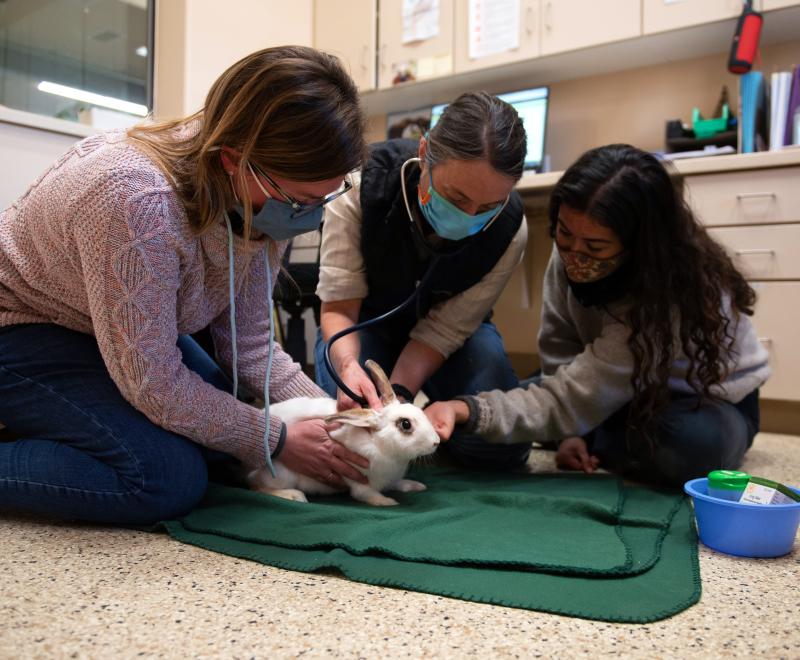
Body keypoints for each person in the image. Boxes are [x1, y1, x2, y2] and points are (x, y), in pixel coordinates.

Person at [0, 46, 371, 525]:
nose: (310, 217)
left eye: (323, 199)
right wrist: (276, 438)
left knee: (220, 443)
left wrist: (328, 415)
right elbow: (153, 383)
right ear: (236, 161)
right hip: (19, 328)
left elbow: (251, 347)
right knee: (164, 478)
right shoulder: (136, 200)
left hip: (95, 329)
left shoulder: (262, 198)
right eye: (301, 201)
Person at [425, 144, 770, 486]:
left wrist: (467, 409)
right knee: (512, 405)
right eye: (564, 234)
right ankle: (590, 423)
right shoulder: (574, 252)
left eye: (595, 248)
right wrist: (567, 432)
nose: (574, 256)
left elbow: (569, 395)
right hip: (612, 382)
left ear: (638, 246)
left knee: (692, 448)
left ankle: (596, 429)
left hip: (704, 399)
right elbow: (561, 355)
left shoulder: (667, 287)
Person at [314, 91, 531, 471]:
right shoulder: (360, 187)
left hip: (453, 339)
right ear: (425, 150)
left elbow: (443, 332)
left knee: (501, 449)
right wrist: (349, 365)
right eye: (456, 196)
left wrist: (398, 398)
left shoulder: (511, 230)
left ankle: (438, 424)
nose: (468, 217)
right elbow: (339, 308)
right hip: (364, 324)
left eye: (487, 207)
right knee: (348, 430)